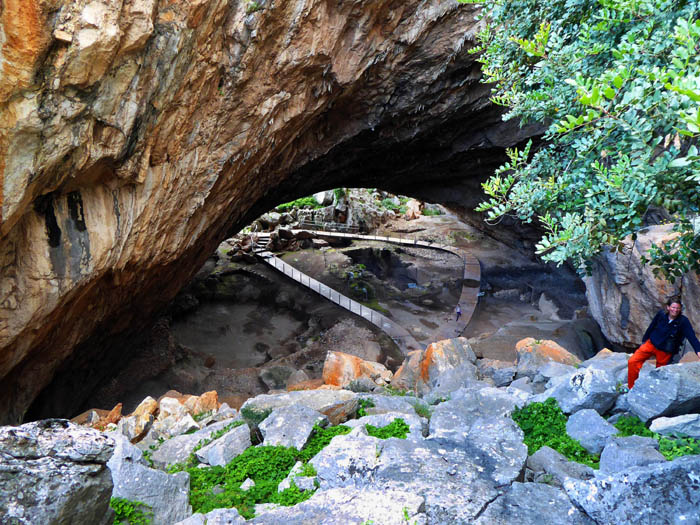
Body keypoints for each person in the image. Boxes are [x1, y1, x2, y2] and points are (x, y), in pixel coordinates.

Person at [628, 296, 700, 389]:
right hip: (651, 343)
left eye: (678, 308)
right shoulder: (661, 315)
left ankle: (655, 392)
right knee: (633, 361)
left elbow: (691, 336)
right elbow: (652, 326)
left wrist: (698, 350)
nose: (675, 310)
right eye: (673, 307)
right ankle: (631, 388)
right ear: (668, 307)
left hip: (665, 350)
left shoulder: (683, 321)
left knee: (659, 372)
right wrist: (644, 340)